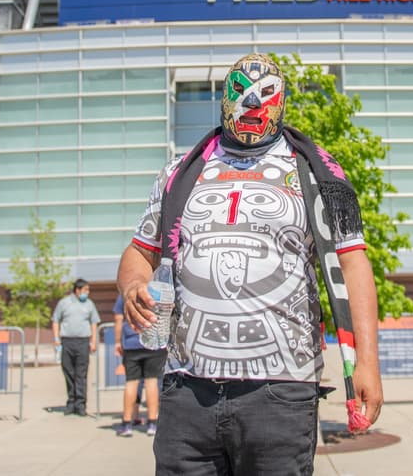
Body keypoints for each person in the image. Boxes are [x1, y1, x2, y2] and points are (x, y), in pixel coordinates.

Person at [117, 52, 382, 476]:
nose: (252, 104)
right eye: (240, 92)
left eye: (265, 95)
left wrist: (365, 362)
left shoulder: (316, 174)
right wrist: (133, 285)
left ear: (282, 102)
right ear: (224, 98)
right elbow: (140, 250)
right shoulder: (179, 172)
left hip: (281, 389)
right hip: (188, 387)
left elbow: (353, 265)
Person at [113, 292, 166, 437]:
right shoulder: (156, 292)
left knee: (131, 382)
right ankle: (152, 422)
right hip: (153, 341)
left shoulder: (126, 292)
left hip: (131, 342)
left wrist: (118, 341)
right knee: (152, 382)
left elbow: (118, 318)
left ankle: (127, 423)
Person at [51, 278, 100, 416]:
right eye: (85, 290)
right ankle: (71, 402)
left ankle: (80, 404)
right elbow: (55, 320)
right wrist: (56, 339)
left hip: (83, 342)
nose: (87, 293)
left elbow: (94, 323)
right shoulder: (64, 303)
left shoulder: (89, 304)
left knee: (81, 374)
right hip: (67, 342)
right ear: (77, 290)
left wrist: (93, 341)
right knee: (68, 372)